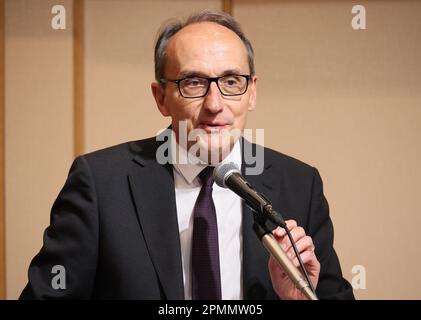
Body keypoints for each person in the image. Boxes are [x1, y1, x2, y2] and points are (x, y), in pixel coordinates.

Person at [20, 9, 354, 300]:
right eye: (193, 83)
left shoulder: (300, 185)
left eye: (231, 81)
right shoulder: (99, 184)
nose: (214, 104)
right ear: (161, 97)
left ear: (251, 93)